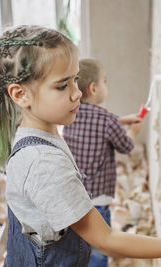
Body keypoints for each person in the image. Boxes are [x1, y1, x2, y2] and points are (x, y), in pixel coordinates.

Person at [0, 25, 161, 267]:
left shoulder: (33, 137)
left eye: (75, 79)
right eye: (62, 85)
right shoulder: (43, 163)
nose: (77, 93)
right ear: (20, 95)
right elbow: (106, 238)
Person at [62, 58, 143, 267]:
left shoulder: (71, 113)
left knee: (78, 243)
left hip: (75, 196)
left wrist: (122, 120)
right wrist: (133, 131)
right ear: (94, 88)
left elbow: (101, 122)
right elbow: (125, 146)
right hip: (98, 200)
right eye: (105, 81)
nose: (106, 86)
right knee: (99, 248)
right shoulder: (106, 119)